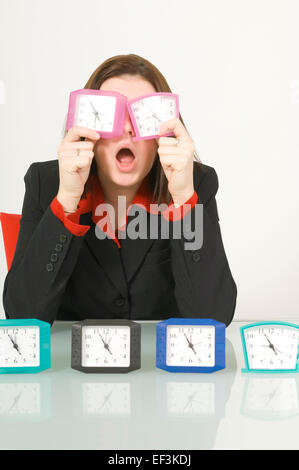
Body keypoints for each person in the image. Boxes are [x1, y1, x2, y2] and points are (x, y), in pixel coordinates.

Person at [3, 54, 237, 326]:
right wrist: (67, 201)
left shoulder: (195, 183)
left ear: (167, 134)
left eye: (142, 117)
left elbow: (213, 320)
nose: (127, 128)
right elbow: (22, 318)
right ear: (86, 129)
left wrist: (184, 201)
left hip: (160, 366)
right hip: (70, 364)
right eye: (109, 115)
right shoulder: (46, 183)